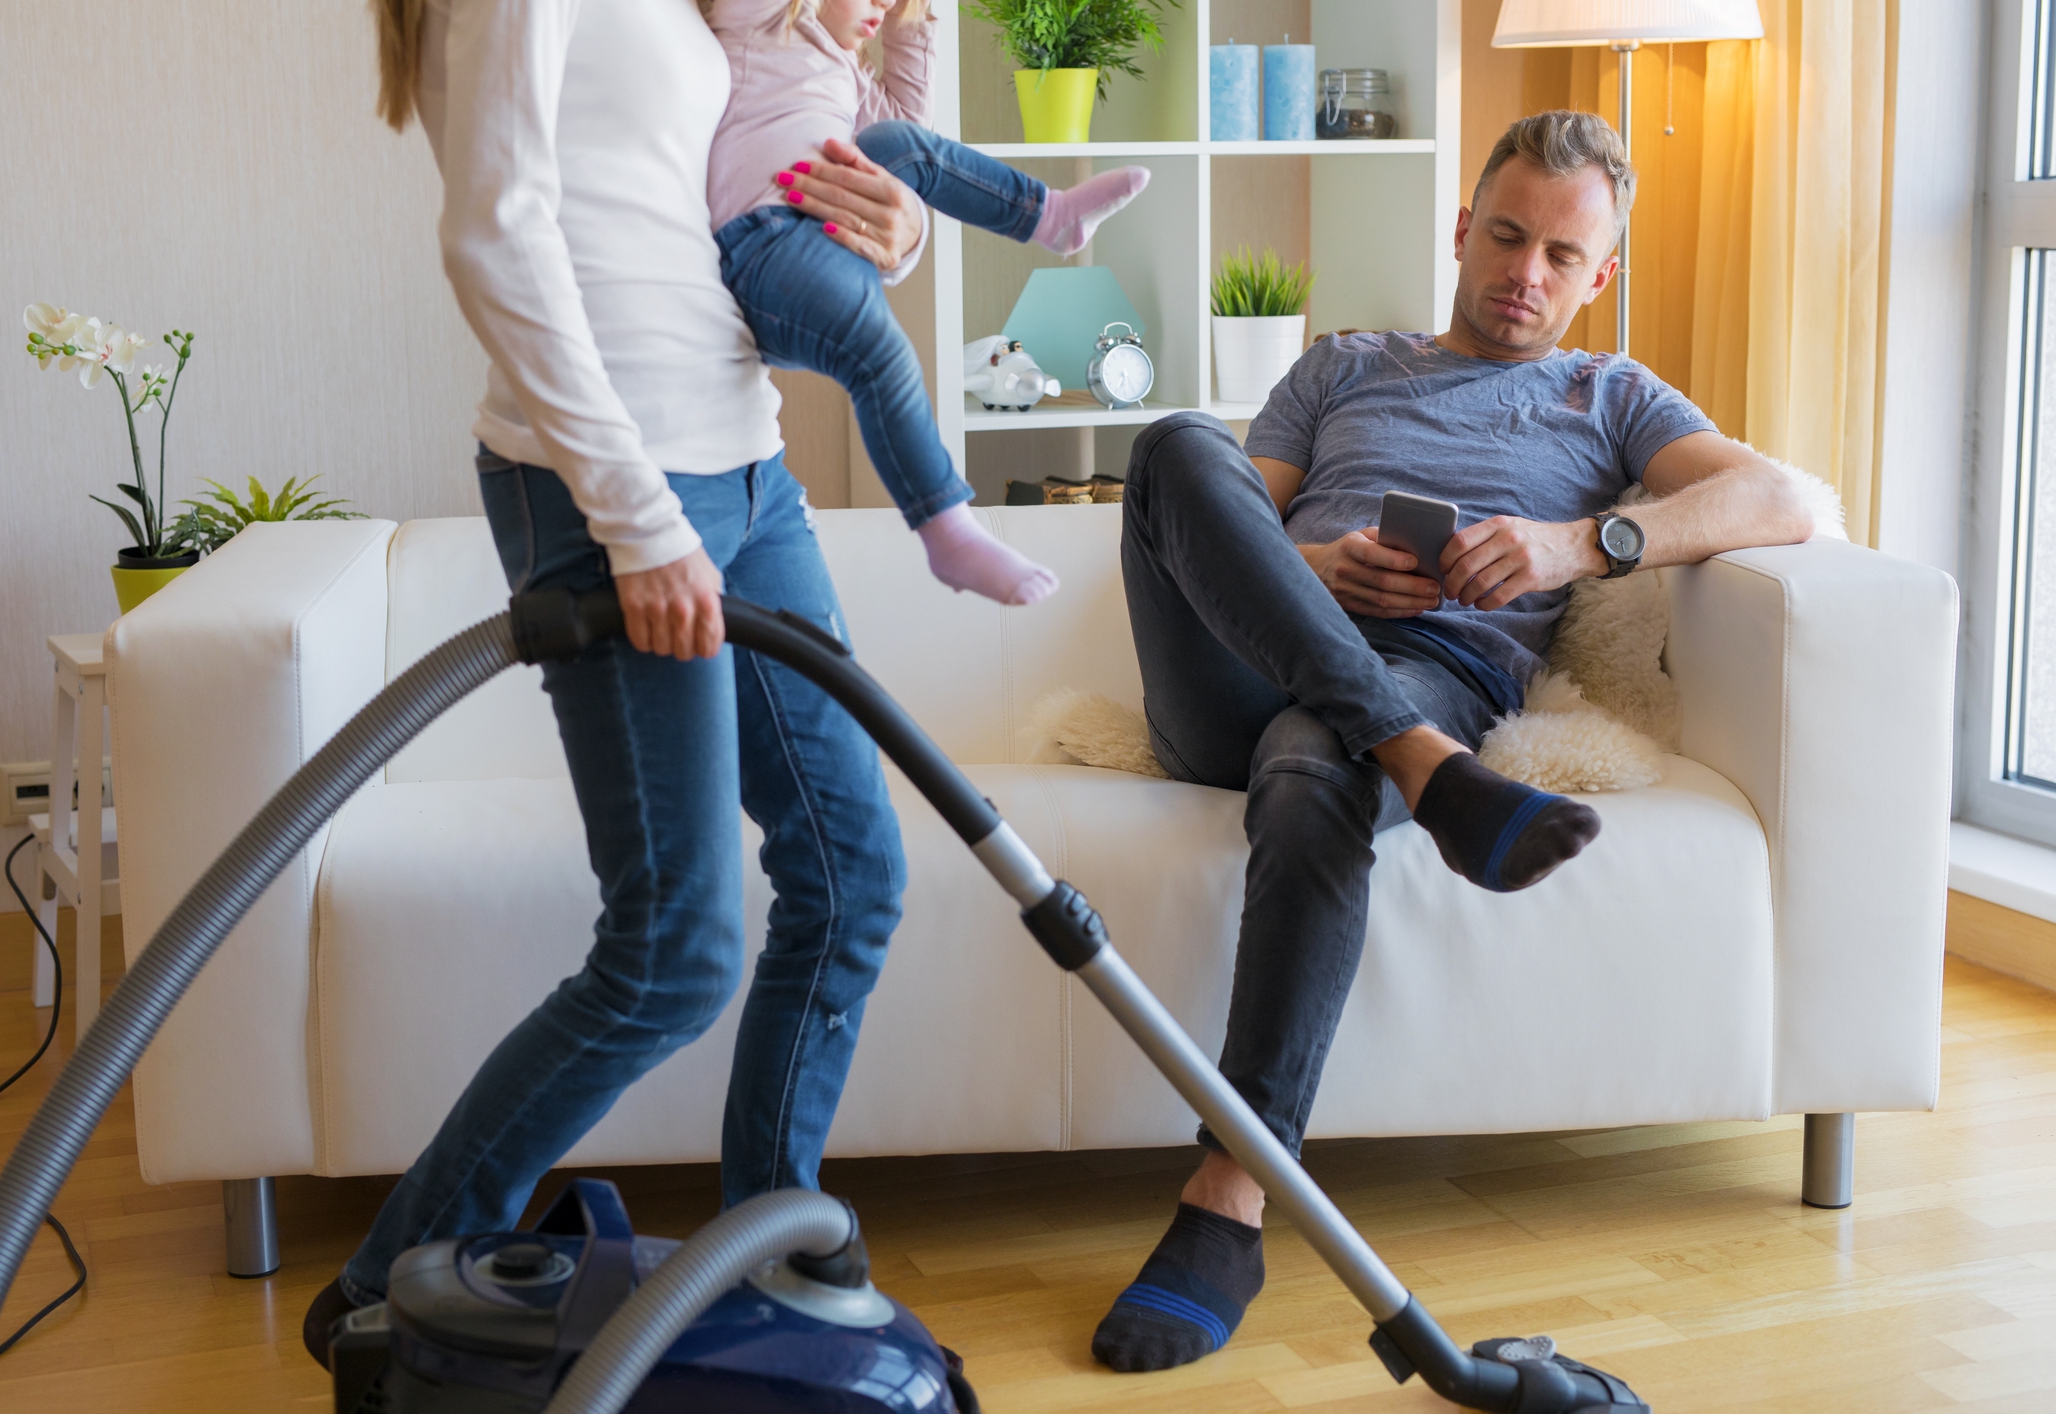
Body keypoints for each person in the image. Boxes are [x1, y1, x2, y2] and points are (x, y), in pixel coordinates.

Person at [1089, 110, 1818, 1374]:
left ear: (1601, 276)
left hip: (1428, 675)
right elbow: (1215, 528)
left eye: (1561, 256)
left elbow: (1791, 497)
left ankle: (1232, 1199)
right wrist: (1321, 568)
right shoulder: (1340, 366)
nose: (1524, 274)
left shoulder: (1612, 394)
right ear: (1463, 225)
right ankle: (1426, 773)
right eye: (1505, 234)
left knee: (1322, 760)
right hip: (1236, 679)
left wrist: (1575, 544)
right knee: (1170, 447)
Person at [303, 0, 935, 1363]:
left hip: (749, 460)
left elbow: (751, 156)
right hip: (612, 492)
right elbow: (495, 232)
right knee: (675, 947)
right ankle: (378, 1288)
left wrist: (900, 220)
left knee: (852, 875)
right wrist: (636, 518)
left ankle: (771, 1250)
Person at [707, 0, 1152, 606]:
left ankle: (1049, 214)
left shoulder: (847, 71)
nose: (883, 4)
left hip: (819, 239)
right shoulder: (760, 23)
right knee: (882, 353)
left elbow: (916, 147)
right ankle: (948, 529)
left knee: (899, 144)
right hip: (760, 247)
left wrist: (908, 26)